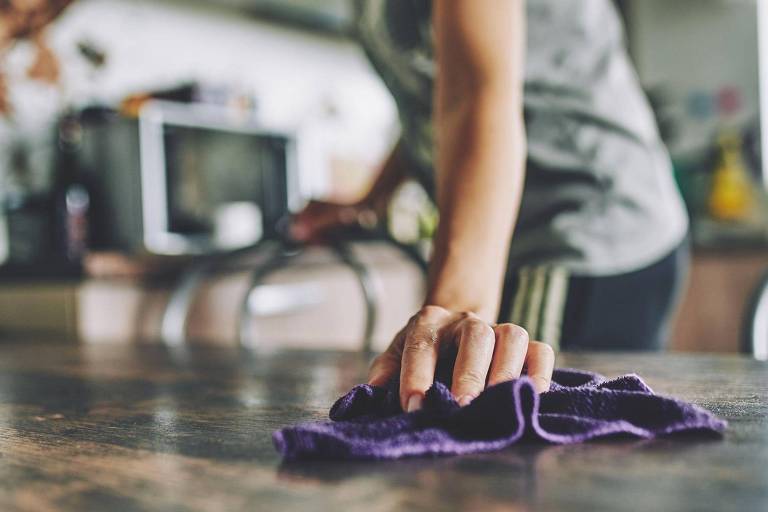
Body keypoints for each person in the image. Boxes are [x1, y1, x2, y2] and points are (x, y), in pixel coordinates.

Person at [291, 0, 689, 413]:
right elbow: (435, 105)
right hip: (531, 233)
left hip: (588, 222)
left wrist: (455, 312)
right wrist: (373, 199)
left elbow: (474, 93)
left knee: (504, 419)